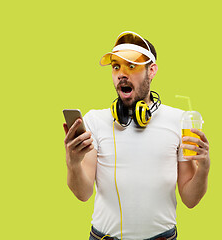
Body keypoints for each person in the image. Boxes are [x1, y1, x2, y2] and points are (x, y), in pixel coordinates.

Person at [63, 31, 210, 240]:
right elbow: (83, 193)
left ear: (152, 70)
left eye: (131, 66)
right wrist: (73, 162)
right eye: (116, 66)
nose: (122, 74)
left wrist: (203, 168)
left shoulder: (179, 121)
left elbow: (190, 199)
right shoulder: (94, 121)